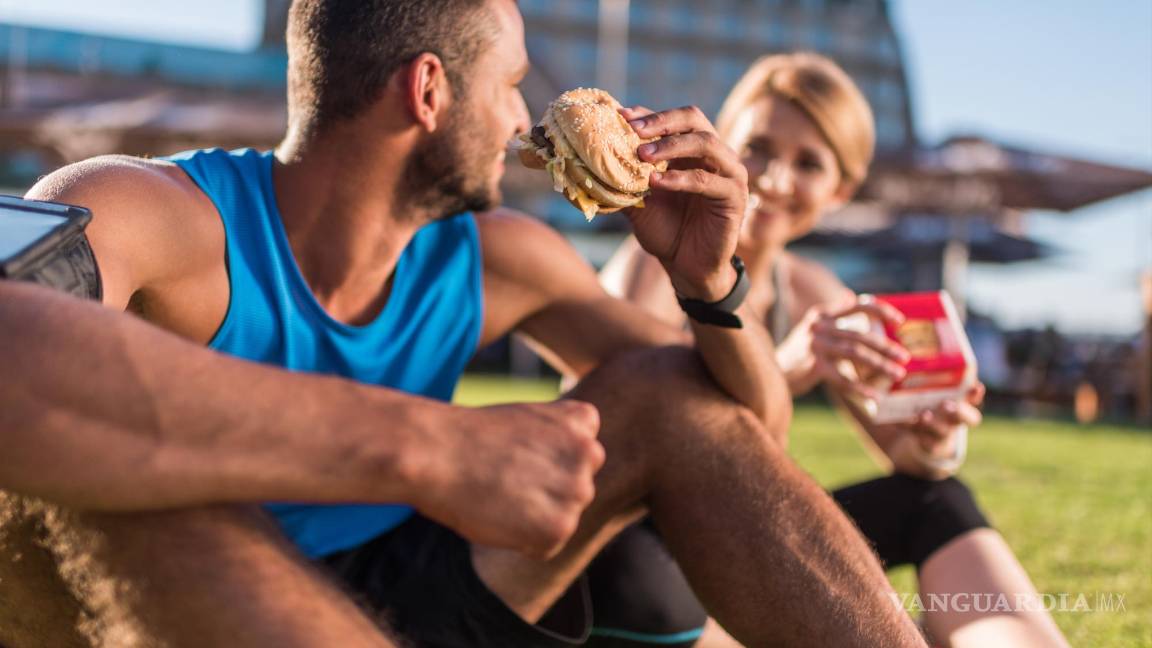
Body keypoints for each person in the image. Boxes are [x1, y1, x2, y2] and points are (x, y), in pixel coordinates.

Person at [0, 3, 929, 647]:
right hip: (199, 595)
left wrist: (707, 281)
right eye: (514, 84)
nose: (524, 117)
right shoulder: (152, 212)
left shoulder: (497, 256)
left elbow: (746, 426)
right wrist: (432, 446)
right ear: (430, 90)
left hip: (424, 586)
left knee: (670, 396)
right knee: (125, 501)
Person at [600, 52, 1070, 648]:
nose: (773, 177)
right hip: (645, 549)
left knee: (936, 500)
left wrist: (935, 438)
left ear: (840, 192)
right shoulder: (656, 257)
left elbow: (910, 459)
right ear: (719, 141)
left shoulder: (815, 292)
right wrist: (783, 371)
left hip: (743, 539)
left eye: (809, 163)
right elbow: (634, 432)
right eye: (759, 146)